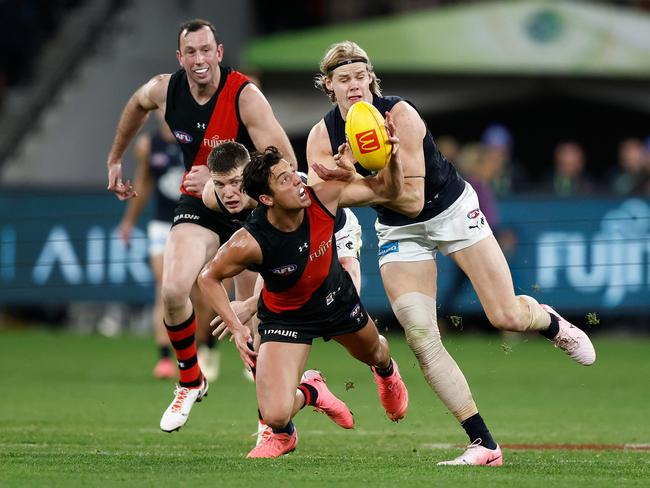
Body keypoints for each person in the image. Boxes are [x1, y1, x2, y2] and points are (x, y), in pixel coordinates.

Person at [308, 41, 596, 466]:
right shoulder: (321, 136)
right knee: (422, 337)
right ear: (329, 87)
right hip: (398, 230)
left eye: (359, 76)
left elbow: (411, 197)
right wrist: (367, 186)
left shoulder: (399, 115)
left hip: (451, 210)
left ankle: (549, 322)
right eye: (342, 79)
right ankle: (483, 444)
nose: (353, 85)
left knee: (507, 317)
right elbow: (329, 200)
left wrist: (357, 182)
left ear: (371, 78)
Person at [105, 18, 297, 433]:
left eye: (206, 50)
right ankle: (190, 378)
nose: (199, 60)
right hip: (201, 203)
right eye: (190, 52)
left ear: (219, 53)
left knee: (255, 322)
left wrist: (229, 185)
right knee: (173, 290)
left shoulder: (245, 96)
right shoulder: (165, 89)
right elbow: (136, 105)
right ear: (180, 58)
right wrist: (116, 157)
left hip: (249, 206)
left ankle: (272, 424)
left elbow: (286, 161)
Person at [198, 144, 409, 458]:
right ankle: (303, 405)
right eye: (285, 180)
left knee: (375, 352)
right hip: (287, 319)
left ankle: (387, 372)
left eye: (292, 175)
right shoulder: (249, 241)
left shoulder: (321, 197)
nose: (298, 181)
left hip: (335, 299)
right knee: (274, 415)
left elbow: (389, 190)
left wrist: (390, 157)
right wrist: (236, 326)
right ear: (266, 198)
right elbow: (207, 277)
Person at [116, 114, 221, 381]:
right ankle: (164, 357)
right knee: (166, 287)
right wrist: (128, 221)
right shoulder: (149, 144)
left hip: (196, 223)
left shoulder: (199, 140)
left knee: (199, 291)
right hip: (162, 225)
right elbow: (145, 182)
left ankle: (202, 348)